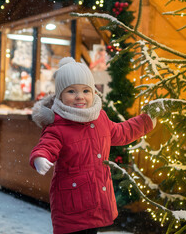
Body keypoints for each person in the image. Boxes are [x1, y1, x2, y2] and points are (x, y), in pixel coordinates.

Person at [29, 57, 156, 234]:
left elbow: (121, 132)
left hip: (95, 201)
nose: (80, 96)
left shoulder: (100, 118)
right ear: (59, 96)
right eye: (71, 91)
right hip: (71, 205)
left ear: (94, 93)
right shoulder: (58, 125)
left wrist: (145, 121)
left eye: (86, 90)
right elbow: (47, 145)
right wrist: (40, 158)